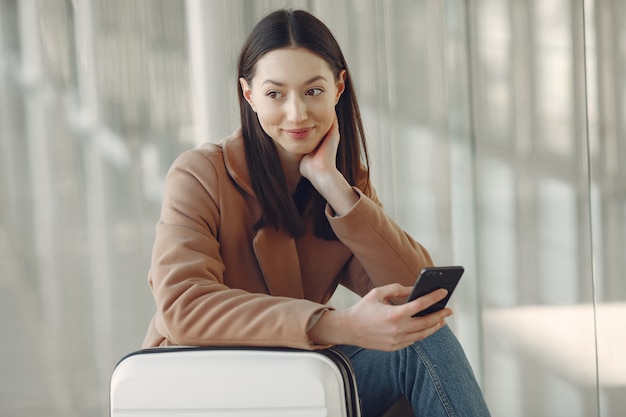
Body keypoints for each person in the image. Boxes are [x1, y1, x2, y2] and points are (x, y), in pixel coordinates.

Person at [142, 8, 490, 417]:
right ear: (248, 95)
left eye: (312, 91)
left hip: (299, 379)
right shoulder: (200, 174)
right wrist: (336, 325)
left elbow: (416, 294)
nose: (297, 114)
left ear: (338, 88)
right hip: (209, 388)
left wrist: (334, 186)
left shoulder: (343, 185)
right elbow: (184, 307)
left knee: (421, 337)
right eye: (275, 94)